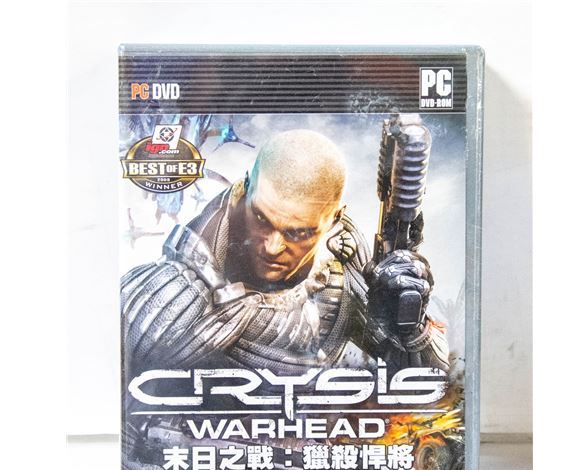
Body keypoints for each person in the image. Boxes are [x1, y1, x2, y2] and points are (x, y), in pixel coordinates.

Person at [121, 129, 448, 375]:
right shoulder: (178, 288)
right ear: (245, 188)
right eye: (262, 219)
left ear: (333, 220)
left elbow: (432, 384)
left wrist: (409, 324)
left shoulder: (344, 260)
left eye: (298, 232)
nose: (273, 247)